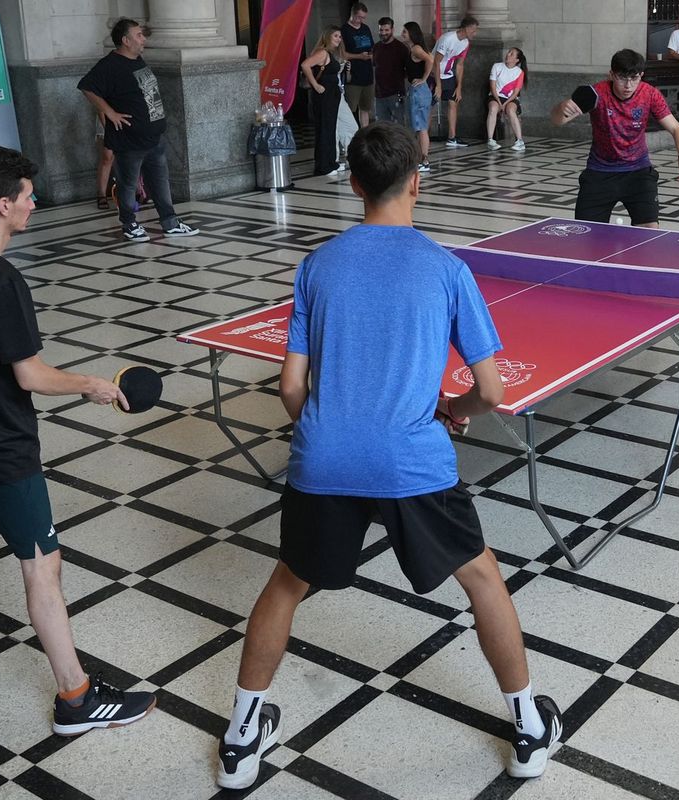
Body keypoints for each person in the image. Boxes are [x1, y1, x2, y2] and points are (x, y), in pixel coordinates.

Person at [212, 122, 563, 791]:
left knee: (286, 583)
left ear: (353, 185)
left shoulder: (317, 266)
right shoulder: (447, 269)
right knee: (483, 581)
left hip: (324, 462)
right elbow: (489, 390)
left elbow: (291, 385)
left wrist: (327, 433)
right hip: (413, 465)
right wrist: (454, 413)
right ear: (416, 182)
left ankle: (239, 740)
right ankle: (527, 728)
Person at [0, 145, 157, 734]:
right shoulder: (1, 281)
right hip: (2, 444)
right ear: (4, 205)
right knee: (42, 563)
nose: (33, 202)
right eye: (26, 195)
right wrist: (90, 386)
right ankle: (76, 697)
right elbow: (30, 375)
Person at [77, 18, 198, 243]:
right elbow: (87, 87)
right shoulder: (110, 65)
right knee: (128, 184)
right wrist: (110, 113)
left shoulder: (137, 60)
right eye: (139, 35)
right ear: (125, 40)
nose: (143, 39)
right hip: (129, 140)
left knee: (160, 182)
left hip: (153, 138)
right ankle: (129, 224)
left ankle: (170, 223)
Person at [549, 49, 679, 227]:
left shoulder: (650, 94)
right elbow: (556, 120)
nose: (628, 85)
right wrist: (563, 107)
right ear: (611, 75)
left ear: (641, 75)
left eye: (634, 78)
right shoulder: (596, 94)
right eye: (622, 78)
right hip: (600, 173)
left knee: (649, 231)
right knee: (586, 234)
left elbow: (677, 128)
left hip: (638, 172)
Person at [302, 26, 345, 177]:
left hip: (331, 94)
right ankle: (323, 165)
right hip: (324, 95)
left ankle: (330, 161)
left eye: (340, 36)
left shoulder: (330, 54)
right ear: (327, 37)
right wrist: (315, 85)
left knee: (330, 127)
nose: (338, 39)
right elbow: (305, 65)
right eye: (335, 36)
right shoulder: (322, 52)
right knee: (324, 128)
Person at [433, 16, 479, 147]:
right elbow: (436, 61)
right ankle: (423, 135)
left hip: (448, 75)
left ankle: (452, 137)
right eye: (474, 30)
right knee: (429, 105)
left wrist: (459, 87)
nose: (475, 34)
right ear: (466, 28)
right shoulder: (447, 39)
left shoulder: (465, 43)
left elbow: (460, 65)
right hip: (433, 74)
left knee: (453, 103)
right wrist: (438, 85)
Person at [402, 21, 434, 172]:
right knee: (419, 126)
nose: (402, 34)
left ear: (412, 33)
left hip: (420, 91)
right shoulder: (412, 48)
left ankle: (424, 159)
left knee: (421, 127)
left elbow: (430, 60)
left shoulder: (416, 48)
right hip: (418, 90)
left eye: (405, 32)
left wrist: (424, 78)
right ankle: (420, 158)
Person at [486, 47, 528, 151]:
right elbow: (492, 86)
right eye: (509, 52)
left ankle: (519, 141)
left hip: (510, 98)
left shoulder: (519, 72)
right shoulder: (497, 66)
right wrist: (499, 102)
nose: (508, 54)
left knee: (510, 110)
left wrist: (505, 104)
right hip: (495, 96)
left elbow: (515, 92)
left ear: (517, 60)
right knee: (493, 109)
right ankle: (490, 140)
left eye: (511, 54)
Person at [341, 3, 375, 128]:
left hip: (367, 74)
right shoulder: (344, 30)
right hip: (353, 75)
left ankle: (364, 131)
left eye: (363, 18)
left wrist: (371, 54)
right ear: (353, 14)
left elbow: (371, 46)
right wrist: (359, 56)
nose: (361, 20)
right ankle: (350, 133)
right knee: (351, 107)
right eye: (359, 17)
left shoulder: (365, 28)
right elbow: (343, 54)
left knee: (365, 107)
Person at [372, 16, 409, 125]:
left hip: (395, 94)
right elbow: (376, 67)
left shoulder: (401, 48)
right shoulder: (376, 47)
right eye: (381, 30)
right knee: (381, 128)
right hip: (379, 95)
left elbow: (408, 70)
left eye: (386, 30)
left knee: (398, 127)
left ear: (392, 30)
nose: (383, 33)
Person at [93, 112, 114, 209]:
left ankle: (137, 190)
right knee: (107, 157)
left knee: (130, 155)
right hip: (106, 113)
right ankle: (101, 193)